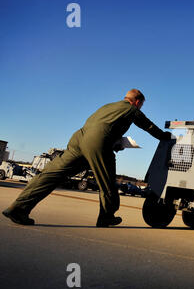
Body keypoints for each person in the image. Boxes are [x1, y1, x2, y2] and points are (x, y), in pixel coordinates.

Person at [2, 89, 172, 227]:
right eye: (140, 105)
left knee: (51, 175)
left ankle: (19, 208)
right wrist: (164, 136)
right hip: (97, 143)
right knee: (107, 181)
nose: (140, 108)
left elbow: (102, 127)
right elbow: (147, 125)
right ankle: (106, 216)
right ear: (137, 102)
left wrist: (113, 143)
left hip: (79, 139)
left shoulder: (108, 106)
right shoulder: (131, 109)